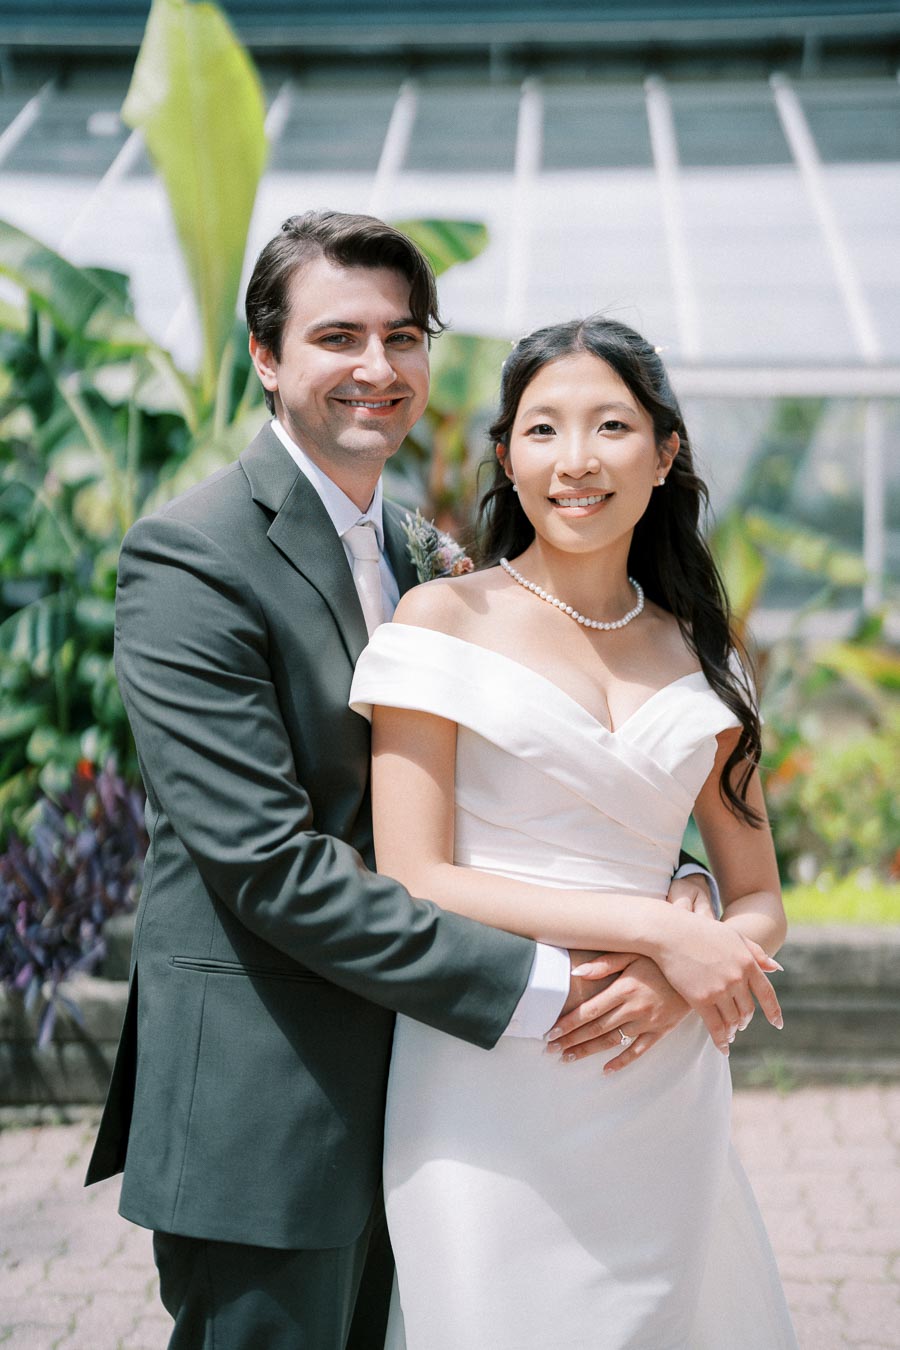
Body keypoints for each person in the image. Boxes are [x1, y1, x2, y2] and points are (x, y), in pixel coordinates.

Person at [84, 214, 722, 1350]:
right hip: (277, 1098)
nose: (377, 369)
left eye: (404, 336)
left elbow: (531, 767)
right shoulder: (191, 557)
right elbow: (268, 867)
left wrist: (673, 883)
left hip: (444, 1103)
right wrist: (552, 986)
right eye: (339, 336)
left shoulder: (426, 553)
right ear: (268, 359)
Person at [349, 315, 798, 1348]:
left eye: (611, 426)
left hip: (658, 1071)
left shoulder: (703, 645)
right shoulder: (440, 620)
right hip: (487, 1058)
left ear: (665, 451)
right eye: (543, 431)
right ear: (506, 456)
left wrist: (680, 959)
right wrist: (662, 931)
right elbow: (415, 875)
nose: (577, 461)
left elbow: (762, 896)